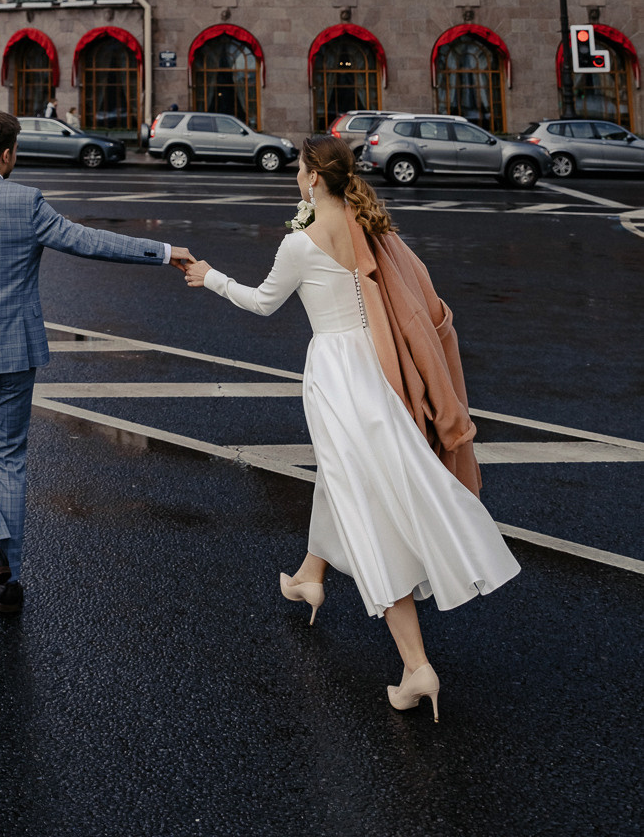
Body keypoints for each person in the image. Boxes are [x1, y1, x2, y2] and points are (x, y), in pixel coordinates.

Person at [183, 133, 518, 720]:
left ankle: (416, 667)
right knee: (345, 482)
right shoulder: (373, 229)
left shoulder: (300, 244)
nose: (294, 176)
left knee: (367, 512)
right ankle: (310, 577)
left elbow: (262, 303)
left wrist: (209, 276)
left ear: (314, 177)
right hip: (382, 371)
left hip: (337, 378)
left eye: (298, 169)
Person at [0, 109, 194, 615]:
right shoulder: (26, 202)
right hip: (17, 350)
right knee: (11, 458)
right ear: (8, 154)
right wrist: (163, 250)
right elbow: (90, 242)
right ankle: (9, 581)